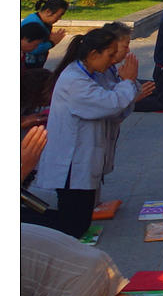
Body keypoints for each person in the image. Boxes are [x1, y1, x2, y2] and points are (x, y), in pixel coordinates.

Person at [33, 28, 152, 237]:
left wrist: (129, 89)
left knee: (79, 220)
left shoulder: (93, 74)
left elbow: (115, 109)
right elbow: (109, 103)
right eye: (110, 55)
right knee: (72, 223)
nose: (113, 61)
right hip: (71, 161)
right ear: (94, 53)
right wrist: (128, 83)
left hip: (85, 159)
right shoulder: (74, 79)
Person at [21, 0, 69, 69]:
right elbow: (31, 48)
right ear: (48, 11)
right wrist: (52, 42)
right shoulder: (33, 24)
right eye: (59, 15)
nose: (59, 19)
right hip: (28, 66)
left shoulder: (44, 22)